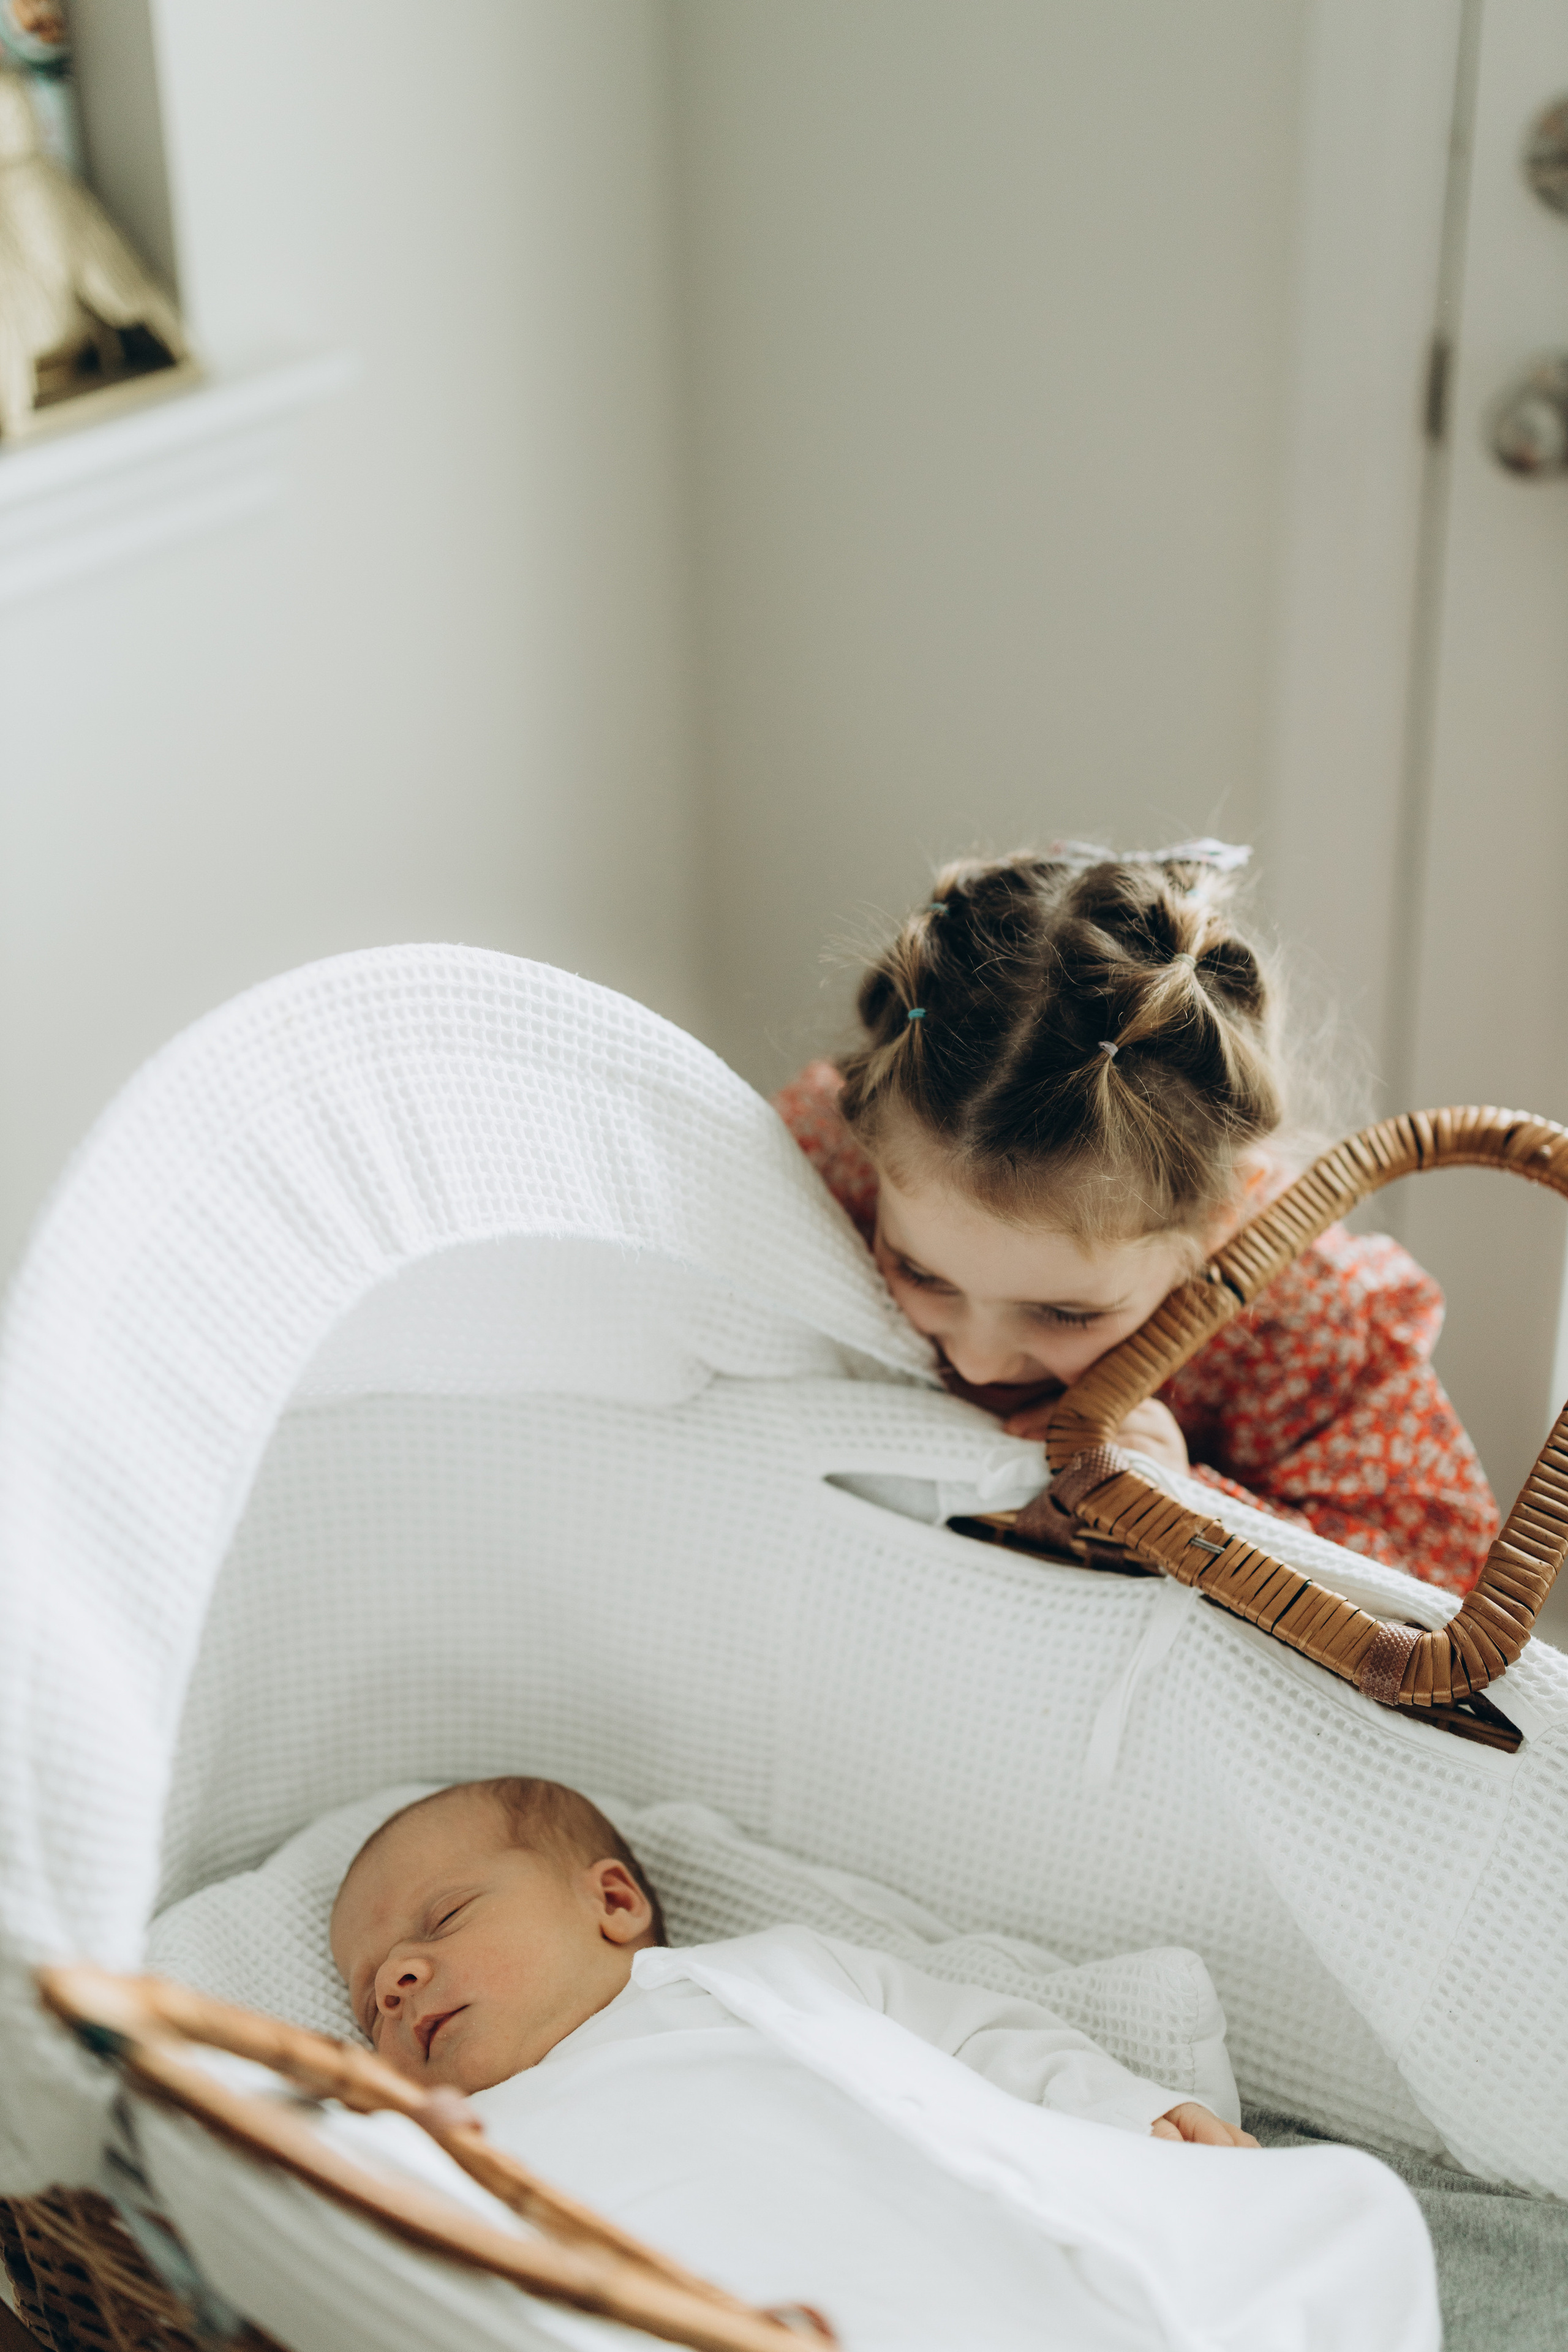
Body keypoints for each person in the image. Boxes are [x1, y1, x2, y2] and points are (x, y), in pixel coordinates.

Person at [328, 1776, 1438, 2352]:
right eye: (372, 1992)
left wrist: (1126, 2111)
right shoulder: (453, 2146)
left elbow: (985, 2038)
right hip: (782, 2311)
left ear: (612, 1902)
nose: (400, 1981)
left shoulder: (773, 1969)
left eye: (444, 1919)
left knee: (1347, 2210)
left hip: (1011, 2233)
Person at [774, 842, 1496, 1594]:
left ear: (1222, 1217)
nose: (979, 1362)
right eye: (920, 1273)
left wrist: (1193, 1511)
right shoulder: (824, 1161)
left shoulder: (1308, 1317)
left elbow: (1443, 1584)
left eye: (1064, 1313)